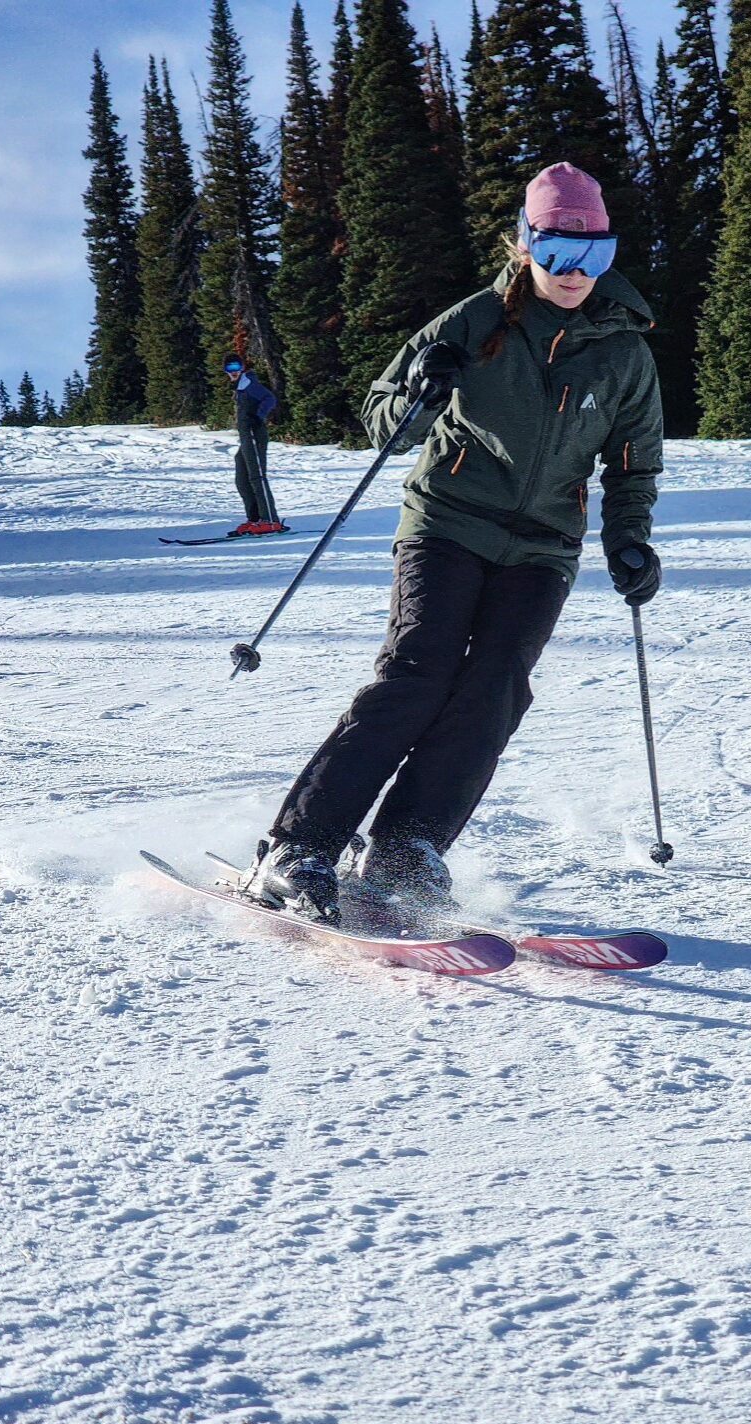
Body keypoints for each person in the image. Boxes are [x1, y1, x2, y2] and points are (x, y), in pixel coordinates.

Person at [241, 162, 664, 925]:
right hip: (445, 522)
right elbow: (380, 423)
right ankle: (298, 847)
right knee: (419, 671)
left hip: (542, 545)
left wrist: (628, 541)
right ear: (525, 245)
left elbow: (633, 463)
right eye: (558, 253)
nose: (575, 273)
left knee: (494, 687)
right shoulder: (473, 322)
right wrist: (421, 388)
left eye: (593, 255)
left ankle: (405, 850)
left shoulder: (624, 351)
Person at [222, 353, 285, 537]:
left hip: (254, 435)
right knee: (242, 477)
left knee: (257, 476)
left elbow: (269, 399)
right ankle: (255, 519)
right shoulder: (240, 386)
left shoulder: (249, 383)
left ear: (242, 368)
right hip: (246, 437)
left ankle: (270, 520)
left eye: (236, 368)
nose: (233, 372)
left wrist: (258, 416)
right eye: (229, 369)